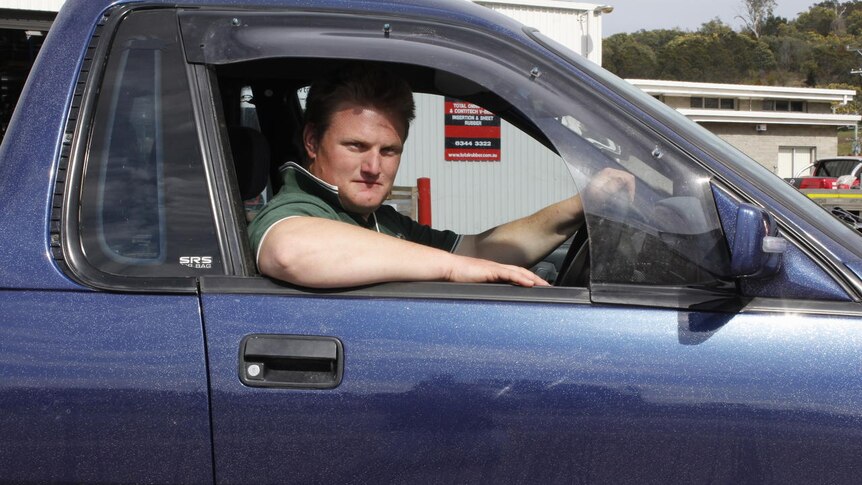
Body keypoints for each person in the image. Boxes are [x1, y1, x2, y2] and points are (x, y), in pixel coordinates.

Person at [248, 65, 634, 288]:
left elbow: (478, 251)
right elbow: (290, 250)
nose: (373, 167)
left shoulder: (379, 221)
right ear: (313, 142)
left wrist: (580, 206)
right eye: (355, 146)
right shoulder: (296, 208)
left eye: (389, 151)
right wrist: (452, 269)